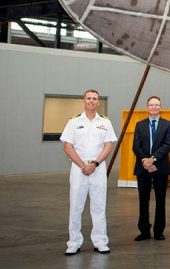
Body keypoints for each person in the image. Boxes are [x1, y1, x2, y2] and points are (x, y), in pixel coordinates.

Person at [61, 89, 117, 256]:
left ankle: (100, 241)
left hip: (98, 169)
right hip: (79, 170)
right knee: (76, 207)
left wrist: (95, 164)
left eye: (95, 99)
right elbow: (67, 146)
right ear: (83, 101)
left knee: (99, 207)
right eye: (89, 98)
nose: (92, 101)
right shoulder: (73, 122)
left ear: (98, 102)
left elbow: (108, 146)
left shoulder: (105, 122)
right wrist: (82, 166)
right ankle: (73, 243)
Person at [132, 95, 170, 241]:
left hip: (160, 167)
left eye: (157, 105)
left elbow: (168, 145)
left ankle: (158, 231)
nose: (154, 107)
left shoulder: (167, 124)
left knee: (160, 200)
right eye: (151, 105)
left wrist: (153, 159)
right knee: (143, 200)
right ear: (147, 107)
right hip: (142, 167)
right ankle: (144, 231)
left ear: (160, 107)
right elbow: (135, 146)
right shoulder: (140, 124)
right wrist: (145, 161)